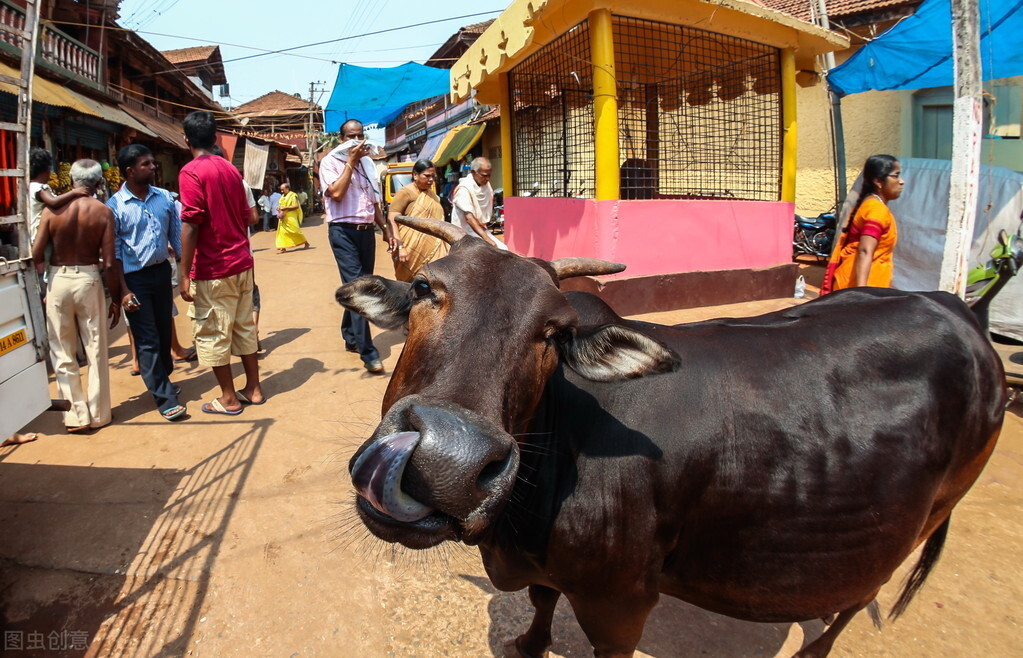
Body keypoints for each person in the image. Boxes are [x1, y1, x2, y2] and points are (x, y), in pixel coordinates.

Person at [178, 110, 265, 414]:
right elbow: (246, 216)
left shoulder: (191, 171)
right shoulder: (231, 170)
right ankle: (253, 389)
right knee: (244, 328)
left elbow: (190, 223)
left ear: (186, 139)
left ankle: (228, 398)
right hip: (242, 262)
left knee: (214, 333)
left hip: (214, 267)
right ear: (215, 137)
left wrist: (184, 272)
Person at [31, 159, 121, 433]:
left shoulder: (50, 212)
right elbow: (108, 262)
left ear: (71, 181)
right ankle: (98, 414)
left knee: (62, 350)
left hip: (58, 279)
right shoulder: (103, 212)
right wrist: (116, 298)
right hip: (88, 279)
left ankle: (75, 415)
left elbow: (36, 254)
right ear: (98, 183)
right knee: (95, 348)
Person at [107, 144, 187, 421]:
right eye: (146, 164)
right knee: (147, 339)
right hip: (134, 280)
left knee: (165, 332)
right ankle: (165, 398)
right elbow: (114, 254)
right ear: (130, 171)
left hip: (162, 274)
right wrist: (124, 291)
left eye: (153, 162)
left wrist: (184, 272)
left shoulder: (164, 198)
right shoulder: (114, 207)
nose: (153, 167)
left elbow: (176, 238)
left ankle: (163, 380)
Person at [320, 119, 401, 373]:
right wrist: (350, 163)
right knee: (361, 290)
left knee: (359, 283)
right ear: (342, 139)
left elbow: (374, 202)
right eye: (352, 136)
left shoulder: (368, 163)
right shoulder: (329, 162)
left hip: (365, 231)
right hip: (343, 232)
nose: (358, 141)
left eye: (361, 135)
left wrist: (386, 230)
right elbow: (336, 193)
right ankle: (368, 352)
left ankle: (350, 335)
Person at [822, 155, 903, 293]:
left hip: (858, 285)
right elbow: (865, 251)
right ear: (878, 181)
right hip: (859, 288)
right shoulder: (876, 210)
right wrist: (862, 294)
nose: (901, 181)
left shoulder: (871, 204)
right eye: (896, 176)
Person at [387, 158, 447, 282]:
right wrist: (400, 248)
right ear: (415, 175)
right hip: (409, 248)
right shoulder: (405, 193)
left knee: (435, 281)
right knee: (409, 284)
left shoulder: (433, 196)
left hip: (434, 248)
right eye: (427, 176)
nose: (431, 180)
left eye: (433, 176)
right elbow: (392, 220)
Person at [29, 148, 89, 242]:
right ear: (47, 169)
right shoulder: (40, 188)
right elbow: (53, 202)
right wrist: (74, 192)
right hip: (41, 235)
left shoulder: (30, 187)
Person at [451, 157, 507, 250]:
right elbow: (469, 218)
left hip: (480, 230)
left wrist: (486, 236)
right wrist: (487, 239)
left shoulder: (486, 187)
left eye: (489, 175)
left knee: (504, 249)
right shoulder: (464, 190)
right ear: (473, 172)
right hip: (463, 233)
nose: (487, 179)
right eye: (484, 175)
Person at [275, 182, 310, 253]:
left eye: (283, 190)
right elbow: (281, 205)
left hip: (291, 217)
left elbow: (296, 206)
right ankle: (283, 247)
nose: (282, 191)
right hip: (283, 217)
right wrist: (279, 208)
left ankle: (306, 243)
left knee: (295, 231)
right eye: (281, 190)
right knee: (282, 232)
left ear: (287, 189)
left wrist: (286, 208)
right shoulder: (282, 196)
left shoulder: (293, 196)